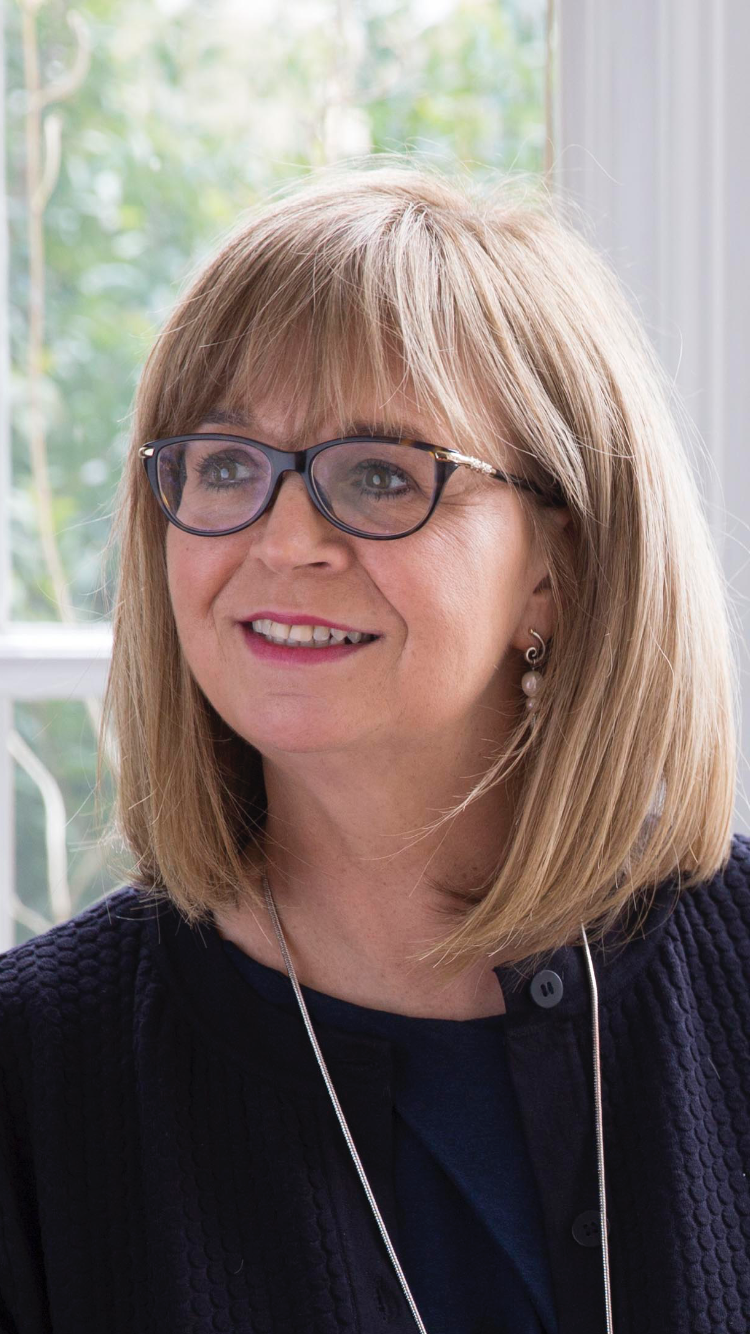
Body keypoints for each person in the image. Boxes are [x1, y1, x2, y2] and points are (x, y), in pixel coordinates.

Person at [0, 160, 747, 1334]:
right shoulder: (34, 1071)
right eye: (227, 465)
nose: (283, 539)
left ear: (555, 566)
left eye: (383, 475)